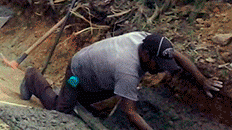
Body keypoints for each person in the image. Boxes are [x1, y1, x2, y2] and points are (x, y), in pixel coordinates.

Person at [19, 31, 223, 130]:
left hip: (99, 76)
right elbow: (130, 113)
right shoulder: (128, 69)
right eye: (158, 64)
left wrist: (202, 80)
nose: (161, 70)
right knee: (61, 108)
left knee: (106, 97)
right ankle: (32, 78)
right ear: (146, 56)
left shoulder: (147, 40)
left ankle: (78, 98)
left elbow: (175, 55)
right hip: (76, 73)